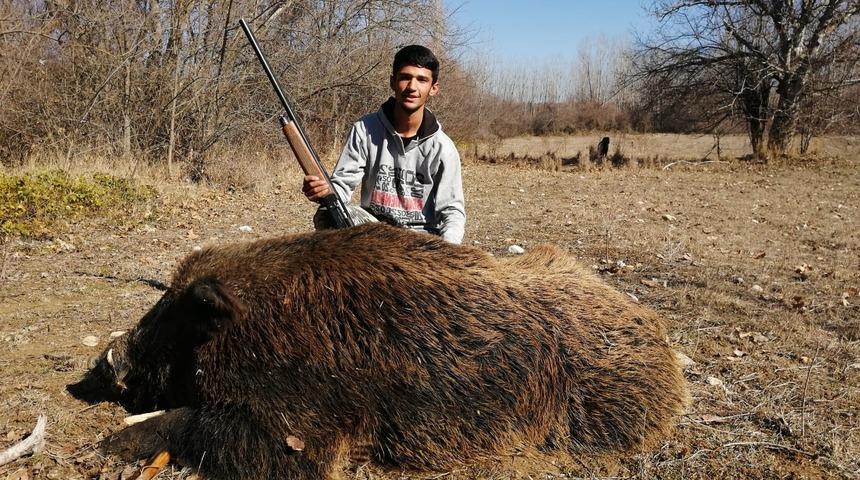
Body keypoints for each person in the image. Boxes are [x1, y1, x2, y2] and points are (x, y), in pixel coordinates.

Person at [302, 45, 465, 244]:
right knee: (328, 212)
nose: (412, 87)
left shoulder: (443, 147)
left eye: (422, 80)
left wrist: (447, 252)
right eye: (405, 77)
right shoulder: (364, 129)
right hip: (375, 234)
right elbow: (341, 187)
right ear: (392, 82)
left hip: (421, 241)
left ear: (433, 88)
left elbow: (452, 211)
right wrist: (324, 192)